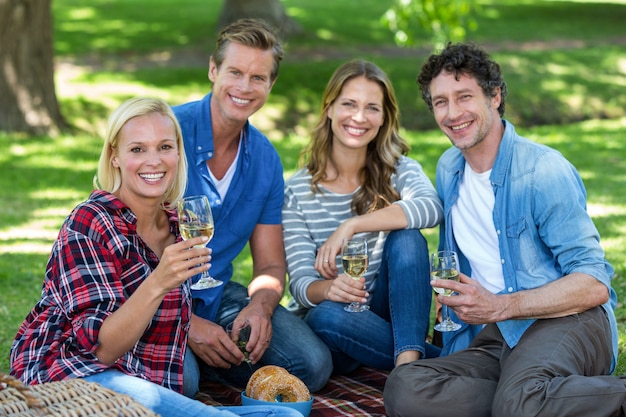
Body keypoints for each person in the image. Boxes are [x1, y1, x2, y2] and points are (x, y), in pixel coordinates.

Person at [9, 97, 304, 417]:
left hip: (144, 376)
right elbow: (103, 350)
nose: (154, 161)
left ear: (179, 153)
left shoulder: (177, 225)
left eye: (165, 147)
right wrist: (160, 280)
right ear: (115, 157)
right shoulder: (90, 224)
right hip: (74, 373)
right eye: (137, 149)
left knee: (286, 414)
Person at [383, 42, 622, 417]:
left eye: (465, 97)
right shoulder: (450, 168)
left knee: (518, 403)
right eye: (440, 102)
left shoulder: (543, 171)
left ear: (494, 96)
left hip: (568, 319)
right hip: (501, 332)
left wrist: (501, 305)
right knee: (405, 387)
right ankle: (531, 399)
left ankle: (535, 399)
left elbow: (593, 284)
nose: (453, 113)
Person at [172, 18, 332, 398]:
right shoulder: (168, 134)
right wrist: (186, 325)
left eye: (258, 78)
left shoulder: (264, 159)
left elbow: (271, 266)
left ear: (271, 85)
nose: (244, 88)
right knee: (180, 382)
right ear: (213, 70)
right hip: (152, 299)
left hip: (216, 295)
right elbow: (122, 256)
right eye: (235, 72)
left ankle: (216, 357)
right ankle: (197, 359)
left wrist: (260, 306)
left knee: (312, 364)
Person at [282, 59, 444, 376]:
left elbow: (431, 207)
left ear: (384, 118)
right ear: (329, 108)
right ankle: (447, 361)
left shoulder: (399, 169)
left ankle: (408, 369)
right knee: (326, 315)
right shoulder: (298, 191)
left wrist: (352, 225)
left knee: (407, 237)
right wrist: (328, 290)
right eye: (349, 104)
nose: (359, 117)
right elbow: (301, 284)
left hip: (385, 314)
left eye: (372, 107)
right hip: (337, 331)